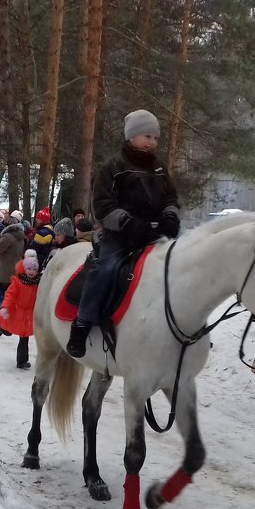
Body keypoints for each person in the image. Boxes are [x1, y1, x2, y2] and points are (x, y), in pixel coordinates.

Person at [66, 109, 180, 358]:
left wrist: (170, 216)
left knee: (179, 266)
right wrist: (127, 223)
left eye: (156, 138)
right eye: (147, 136)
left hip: (155, 233)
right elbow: (103, 205)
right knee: (105, 269)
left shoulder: (160, 168)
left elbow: (171, 197)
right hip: (121, 235)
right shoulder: (113, 167)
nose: (152, 142)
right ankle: (82, 324)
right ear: (131, 136)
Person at [0, 249, 41, 369]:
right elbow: (9, 295)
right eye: (29, 269)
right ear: (24, 269)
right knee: (7, 330)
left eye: (34, 269)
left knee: (24, 337)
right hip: (15, 311)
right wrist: (5, 307)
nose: (31, 272)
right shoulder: (17, 282)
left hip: (28, 314)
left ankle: (22, 361)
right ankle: (1, 329)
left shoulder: (36, 283)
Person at [0, 218, 25, 313]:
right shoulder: (20, 236)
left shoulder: (7, 237)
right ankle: (9, 307)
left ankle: (2, 307)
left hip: (4, 268)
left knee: (0, 289)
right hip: (15, 267)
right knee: (11, 290)